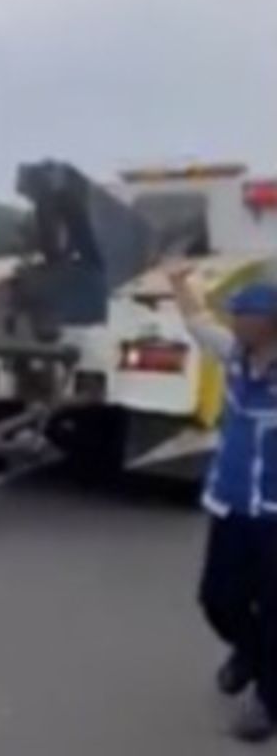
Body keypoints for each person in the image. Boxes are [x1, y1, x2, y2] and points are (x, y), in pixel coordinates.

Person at [169, 266, 277, 744]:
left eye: (244, 316)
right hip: (231, 505)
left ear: (270, 323)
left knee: (276, 612)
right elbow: (196, 322)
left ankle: (268, 703)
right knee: (219, 599)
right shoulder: (233, 356)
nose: (234, 323)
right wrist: (178, 283)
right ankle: (250, 654)